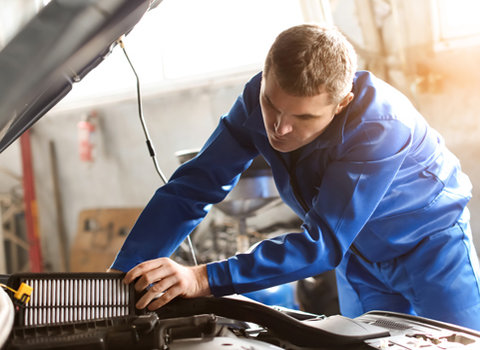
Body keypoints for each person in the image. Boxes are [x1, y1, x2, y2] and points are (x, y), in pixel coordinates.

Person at [110, 24, 480, 330]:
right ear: (266, 75)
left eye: (303, 118)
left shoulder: (380, 126)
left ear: (342, 104)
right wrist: (120, 281)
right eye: (272, 104)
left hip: (431, 251)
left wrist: (203, 278)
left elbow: (321, 243)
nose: (279, 128)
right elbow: (193, 186)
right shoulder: (256, 98)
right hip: (357, 258)